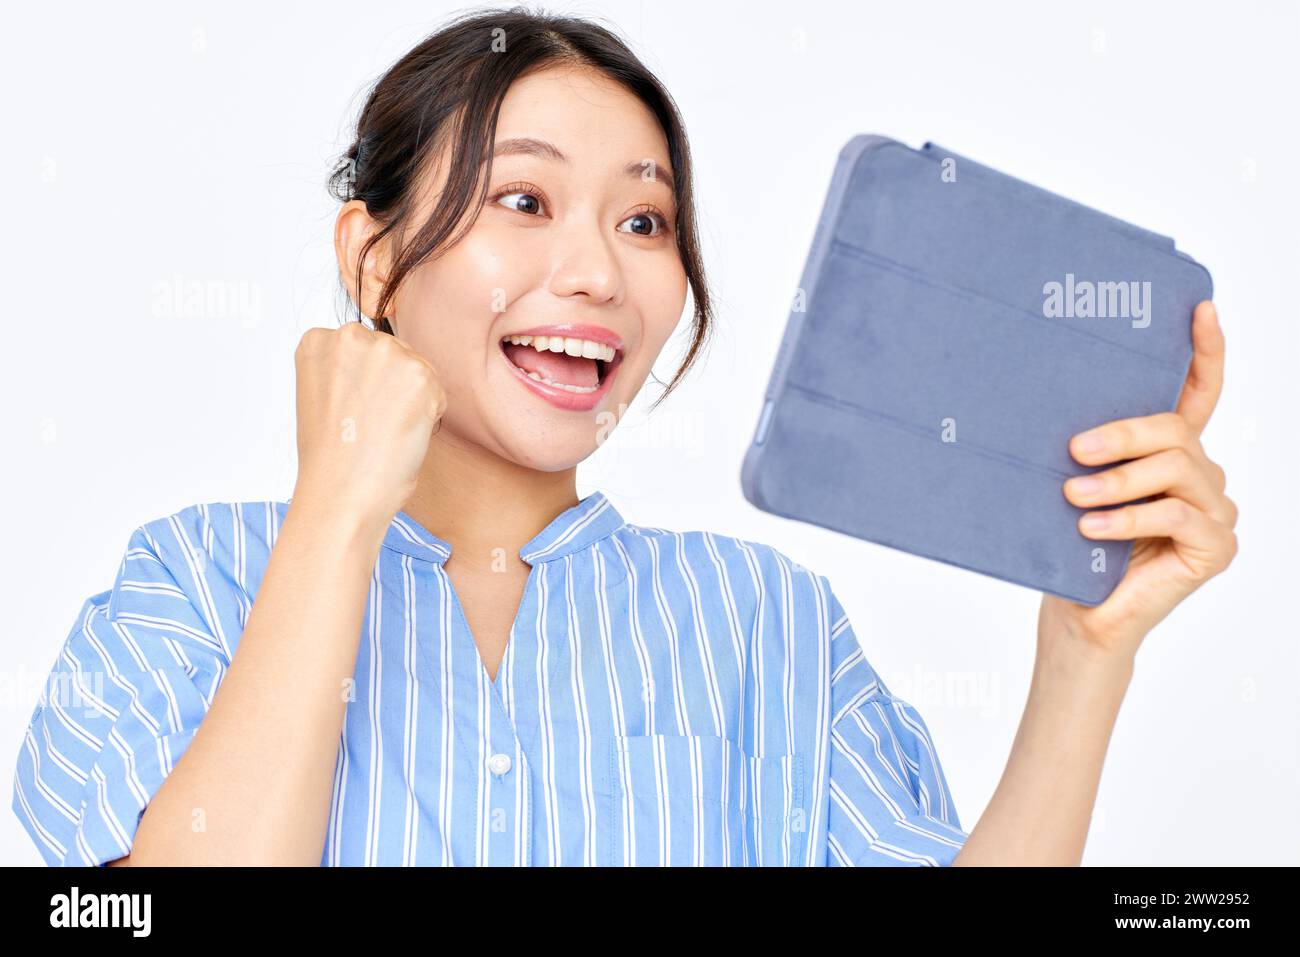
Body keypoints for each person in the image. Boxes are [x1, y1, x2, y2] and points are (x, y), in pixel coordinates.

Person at [11, 7, 1237, 867]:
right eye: (523, 199)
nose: (596, 271)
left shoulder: (766, 626)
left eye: (645, 222)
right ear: (371, 257)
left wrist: (1086, 654)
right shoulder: (190, 586)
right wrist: (335, 510)